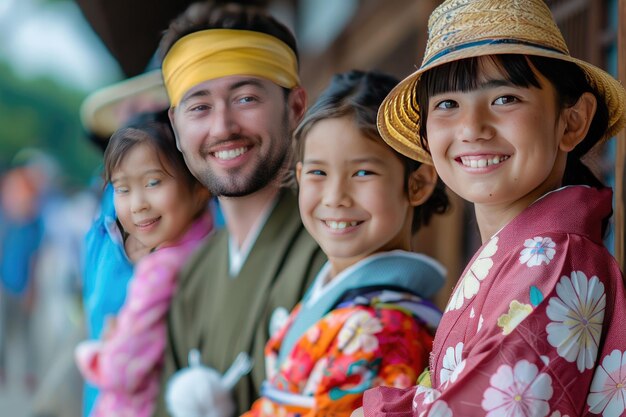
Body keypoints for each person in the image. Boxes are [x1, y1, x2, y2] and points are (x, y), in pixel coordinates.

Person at [354, 0, 626, 416]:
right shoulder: (529, 253)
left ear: (571, 122)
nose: (471, 128)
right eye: (447, 105)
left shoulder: (556, 258)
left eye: (505, 98)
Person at [240, 69, 449, 417]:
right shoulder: (339, 298)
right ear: (300, 175)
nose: (335, 197)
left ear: (418, 183)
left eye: (362, 172)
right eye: (318, 173)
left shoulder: (385, 329)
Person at [153, 2, 327, 416]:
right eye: (199, 107)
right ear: (177, 128)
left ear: (296, 107)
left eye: (246, 97)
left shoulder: (334, 246)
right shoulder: (192, 277)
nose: (223, 127)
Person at [74, 110, 213, 417]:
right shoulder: (210, 245)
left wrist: (98, 351)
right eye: (122, 189)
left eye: (153, 182)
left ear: (200, 186)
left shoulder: (159, 270)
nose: (138, 205)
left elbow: (120, 371)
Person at [79, 68, 170, 417]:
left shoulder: (189, 222)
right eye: (127, 107)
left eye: (149, 103)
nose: (136, 112)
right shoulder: (103, 215)